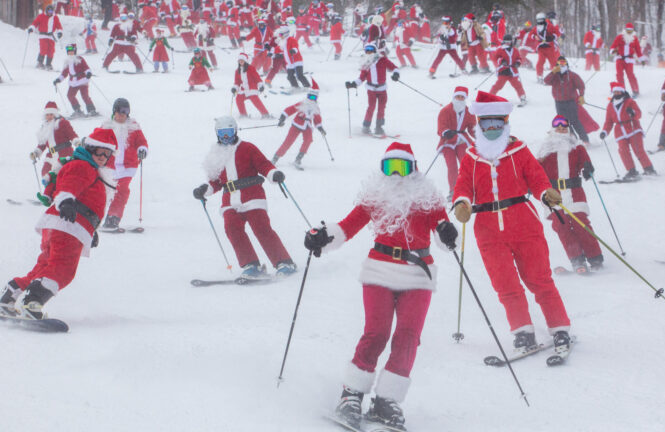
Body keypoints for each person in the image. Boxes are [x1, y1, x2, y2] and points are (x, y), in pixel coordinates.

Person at [304, 142, 457, 431]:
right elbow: (347, 227)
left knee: (409, 336)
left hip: (417, 275)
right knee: (377, 331)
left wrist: (447, 233)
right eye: (390, 168)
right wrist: (323, 236)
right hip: (380, 270)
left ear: (414, 169)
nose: (396, 175)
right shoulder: (375, 198)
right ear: (382, 170)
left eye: (402, 167)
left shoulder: (428, 199)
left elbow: (442, 231)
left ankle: (386, 401)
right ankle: (351, 394)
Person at [452, 91, 572, 355]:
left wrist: (545, 193)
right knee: (505, 284)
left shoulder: (519, 150)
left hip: (524, 224)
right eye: (487, 124)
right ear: (479, 126)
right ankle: (523, 332)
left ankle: (560, 327)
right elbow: (462, 186)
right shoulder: (471, 158)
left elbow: (537, 178)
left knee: (539, 279)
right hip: (487, 229)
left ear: (506, 123)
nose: (492, 128)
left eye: (497, 123)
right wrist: (462, 203)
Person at [0, 128, 117, 319]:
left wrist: (92, 230)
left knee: (45, 267)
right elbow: (69, 184)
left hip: (64, 225)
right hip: (68, 226)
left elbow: (87, 201)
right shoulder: (83, 166)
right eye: (99, 151)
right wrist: (65, 201)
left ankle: (10, 294)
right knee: (63, 269)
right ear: (89, 148)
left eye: (107, 153)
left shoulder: (89, 168)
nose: (103, 157)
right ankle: (32, 302)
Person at [192, 116, 297, 280]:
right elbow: (215, 181)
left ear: (235, 131)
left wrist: (273, 173)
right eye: (221, 133)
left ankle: (284, 262)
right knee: (232, 229)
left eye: (228, 133)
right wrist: (204, 190)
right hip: (229, 200)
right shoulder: (216, 154)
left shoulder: (247, 148)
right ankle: (251, 264)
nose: (225, 137)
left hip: (252, 195)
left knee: (261, 228)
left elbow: (263, 164)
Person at [537, 115, 603, 273]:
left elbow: (586, 163)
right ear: (552, 129)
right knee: (562, 226)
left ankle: (595, 257)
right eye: (557, 126)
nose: (561, 128)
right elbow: (535, 171)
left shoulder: (576, 147)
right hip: (554, 195)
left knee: (581, 224)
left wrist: (588, 168)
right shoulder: (545, 149)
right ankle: (577, 260)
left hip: (574, 192)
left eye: (564, 126)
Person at [101, 98, 148, 230]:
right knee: (105, 193)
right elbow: (96, 140)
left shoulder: (133, 127)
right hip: (109, 167)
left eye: (125, 113)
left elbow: (142, 142)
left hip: (128, 166)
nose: (121, 116)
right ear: (114, 112)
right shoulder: (107, 127)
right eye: (119, 113)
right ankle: (95, 218)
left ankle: (113, 218)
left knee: (121, 191)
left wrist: (142, 150)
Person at [599, 82, 655, 180]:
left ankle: (648, 168)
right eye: (614, 92)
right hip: (620, 131)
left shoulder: (630, 101)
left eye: (618, 91)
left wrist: (632, 113)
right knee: (623, 151)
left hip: (633, 128)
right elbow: (608, 122)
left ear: (622, 91)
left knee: (638, 150)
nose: (616, 93)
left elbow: (639, 114)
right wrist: (605, 132)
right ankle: (631, 170)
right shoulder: (610, 106)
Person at [345, 44, 399, 136]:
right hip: (371, 89)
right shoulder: (366, 63)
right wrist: (353, 84)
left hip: (382, 89)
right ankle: (366, 126)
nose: (369, 52)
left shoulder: (383, 60)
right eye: (367, 50)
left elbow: (394, 68)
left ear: (375, 51)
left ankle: (379, 127)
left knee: (381, 108)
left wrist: (396, 75)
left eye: (371, 50)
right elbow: (362, 77)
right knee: (371, 107)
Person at [543, 56, 597, 144]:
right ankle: (573, 141)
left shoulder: (572, 75)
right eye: (559, 64)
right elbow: (546, 81)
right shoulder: (554, 76)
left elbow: (581, 85)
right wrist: (552, 72)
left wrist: (581, 96)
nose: (561, 66)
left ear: (567, 64)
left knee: (574, 121)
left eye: (563, 63)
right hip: (559, 103)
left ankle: (585, 140)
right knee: (564, 123)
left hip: (571, 102)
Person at [271, 80, 324, 169]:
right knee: (288, 142)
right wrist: (282, 118)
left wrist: (320, 128)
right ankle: (275, 158)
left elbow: (317, 119)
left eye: (314, 98)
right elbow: (290, 109)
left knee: (308, 140)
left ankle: (298, 159)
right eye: (310, 97)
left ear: (316, 98)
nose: (311, 99)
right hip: (297, 124)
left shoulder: (316, 108)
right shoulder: (302, 104)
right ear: (307, 96)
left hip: (307, 126)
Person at [436, 86, 475, 199]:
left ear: (465, 98)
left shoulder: (469, 112)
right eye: (457, 96)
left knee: (465, 165)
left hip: (462, 140)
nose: (459, 99)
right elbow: (441, 127)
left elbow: (472, 128)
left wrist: (479, 135)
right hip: (448, 142)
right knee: (451, 166)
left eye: (462, 97)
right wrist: (446, 132)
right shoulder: (445, 110)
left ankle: (467, 188)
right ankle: (453, 190)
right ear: (454, 97)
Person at [31, 102, 78, 185]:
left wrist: (76, 142)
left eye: (51, 114)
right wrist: (36, 153)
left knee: (62, 174)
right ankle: (50, 192)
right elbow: (42, 144)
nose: (49, 117)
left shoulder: (62, 123)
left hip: (64, 153)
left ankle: (64, 192)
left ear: (55, 114)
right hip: (51, 154)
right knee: (45, 173)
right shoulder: (44, 127)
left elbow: (72, 134)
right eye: (47, 115)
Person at [54, 44, 98, 118]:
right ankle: (77, 110)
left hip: (82, 80)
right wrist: (58, 79)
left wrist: (88, 73)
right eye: (69, 52)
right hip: (73, 82)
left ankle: (91, 110)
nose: (70, 53)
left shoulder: (79, 59)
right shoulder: (67, 61)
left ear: (75, 51)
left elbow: (86, 67)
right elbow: (64, 73)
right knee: (70, 95)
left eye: (72, 51)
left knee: (85, 96)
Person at [490, 34, 526, 105]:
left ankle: (522, 97)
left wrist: (518, 63)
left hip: (512, 71)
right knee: (498, 85)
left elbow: (519, 58)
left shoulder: (515, 50)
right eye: (506, 41)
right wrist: (501, 61)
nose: (507, 43)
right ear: (503, 41)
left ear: (511, 42)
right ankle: (490, 96)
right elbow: (495, 58)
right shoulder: (500, 49)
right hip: (503, 70)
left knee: (517, 85)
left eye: (509, 42)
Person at [232, 53, 271, 119]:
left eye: (242, 60)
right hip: (243, 89)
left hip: (252, 88)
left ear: (245, 61)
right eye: (239, 61)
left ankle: (265, 114)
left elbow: (257, 78)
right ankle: (243, 114)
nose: (241, 62)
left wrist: (260, 85)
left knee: (255, 99)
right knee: (238, 98)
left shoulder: (251, 68)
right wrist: (235, 88)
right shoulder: (237, 71)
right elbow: (237, 82)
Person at [609, 23, 641, 97]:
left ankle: (635, 90)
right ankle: (621, 91)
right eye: (628, 30)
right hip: (620, 58)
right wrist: (613, 50)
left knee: (631, 75)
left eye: (630, 30)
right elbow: (613, 46)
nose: (629, 32)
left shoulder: (634, 38)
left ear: (633, 30)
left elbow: (638, 49)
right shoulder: (620, 37)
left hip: (629, 59)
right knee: (619, 75)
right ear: (625, 30)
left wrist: (641, 58)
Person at [27, 5, 63, 70]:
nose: (50, 12)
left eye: (51, 11)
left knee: (51, 50)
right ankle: (40, 62)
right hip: (43, 35)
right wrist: (31, 28)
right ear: (46, 10)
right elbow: (35, 23)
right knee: (43, 49)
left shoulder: (55, 17)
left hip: (51, 36)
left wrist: (60, 32)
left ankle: (48, 64)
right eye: (49, 10)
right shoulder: (41, 16)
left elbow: (59, 26)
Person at [277, 26, 311, 90]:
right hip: (289, 63)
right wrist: (274, 52)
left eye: (281, 34)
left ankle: (307, 87)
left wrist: (294, 50)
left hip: (296, 61)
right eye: (279, 34)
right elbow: (280, 49)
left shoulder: (292, 39)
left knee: (299, 76)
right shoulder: (283, 41)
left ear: (286, 33)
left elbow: (296, 47)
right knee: (290, 77)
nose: (280, 36)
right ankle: (295, 87)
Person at [531, 12, 561, 82]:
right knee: (540, 62)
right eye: (538, 20)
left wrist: (553, 37)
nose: (540, 22)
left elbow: (557, 33)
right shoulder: (536, 28)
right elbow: (531, 34)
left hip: (550, 47)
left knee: (553, 62)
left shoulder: (549, 26)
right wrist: (534, 36)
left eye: (541, 20)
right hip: (541, 48)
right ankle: (539, 76)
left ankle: (557, 76)